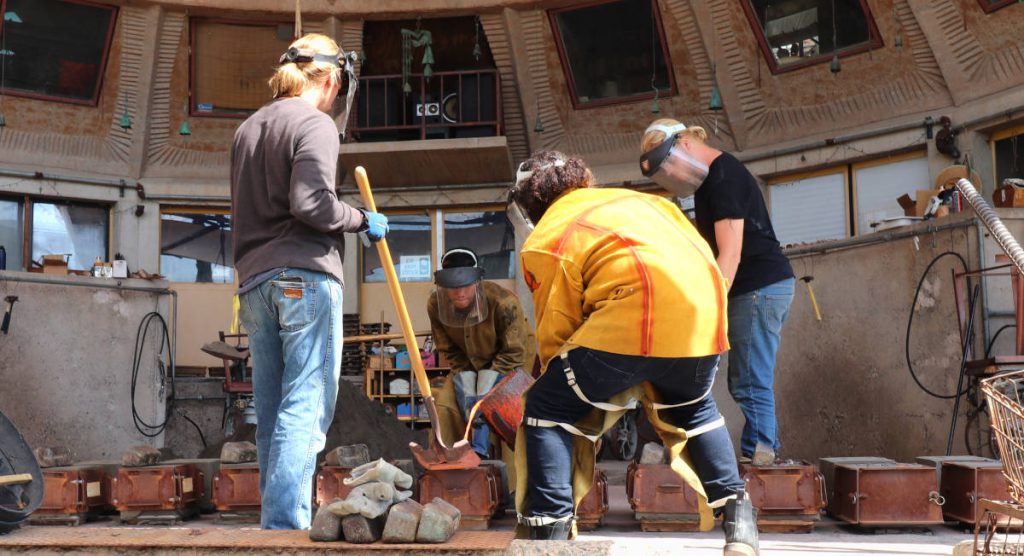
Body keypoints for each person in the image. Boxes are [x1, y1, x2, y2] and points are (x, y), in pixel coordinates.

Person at [509, 150, 758, 555]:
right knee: (694, 408)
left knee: (546, 408)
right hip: (703, 320)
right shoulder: (649, 202)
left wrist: (562, 378)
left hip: (631, 320)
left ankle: (549, 535)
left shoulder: (548, 236)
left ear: (530, 205)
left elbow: (558, 329)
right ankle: (741, 526)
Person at [230, 33, 389, 530]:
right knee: (305, 404)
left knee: (274, 410)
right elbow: (312, 204)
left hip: (254, 283)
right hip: (303, 275)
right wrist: (362, 220)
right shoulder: (315, 124)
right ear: (333, 80)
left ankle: (274, 522)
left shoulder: (248, 129)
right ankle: (285, 525)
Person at [640, 119, 795, 466]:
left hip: (758, 287)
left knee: (750, 378)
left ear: (686, 145)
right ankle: (755, 453)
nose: (671, 179)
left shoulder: (723, 177)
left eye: (669, 168)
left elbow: (731, 253)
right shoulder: (708, 182)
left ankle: (764, 452)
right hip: (754, 287)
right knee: (745, 377)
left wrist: (709, 307)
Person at [427, 247, 536, 458]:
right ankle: (454, 460)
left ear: (477, 282)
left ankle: (512, 483)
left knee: (505, 413)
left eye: (466, 285)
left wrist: (485, 391)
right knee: (447, 405)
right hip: (468, 361)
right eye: (453, 287)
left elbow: (514, 351)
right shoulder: (435, 305)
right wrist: (466, 380)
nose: (460, 292)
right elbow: (448, 349)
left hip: (513, 356)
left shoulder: (504, 303)